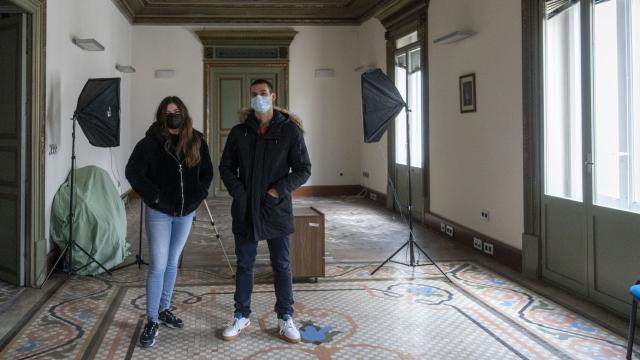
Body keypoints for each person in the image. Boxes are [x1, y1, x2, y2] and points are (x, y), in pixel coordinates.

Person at [219, 79, 311, 343]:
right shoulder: (239, 132)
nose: (258, 98)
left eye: (262, 93)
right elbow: (225, 167)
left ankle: (285, 317)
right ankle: (241, 315)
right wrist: (239, 191)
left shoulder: (290, 131)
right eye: (253, 94)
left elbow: (303, 169)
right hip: (246, 208)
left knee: (281, 265)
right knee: (245, 264)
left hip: (276, 208)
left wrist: (278, 190)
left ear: (273, 95)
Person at [125, 96, 213, 348]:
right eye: (168, 111)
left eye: (176, 111)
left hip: (186, 213)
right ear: (161, 116)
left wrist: (198, 196)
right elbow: (133, 171)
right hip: (159, 213)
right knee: (158, 265)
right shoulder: (150, 143)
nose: (173, 115)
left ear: (183, 114)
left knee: (173, 262)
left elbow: (207, 172)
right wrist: (153, 195)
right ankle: (151, 318)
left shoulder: (196, 140)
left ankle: (164, 309)